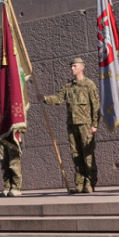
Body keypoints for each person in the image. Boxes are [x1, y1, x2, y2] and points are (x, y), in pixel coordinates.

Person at [44, 57, 101, 194]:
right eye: (71, 66)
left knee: (87, 154)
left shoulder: (89, 85)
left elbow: (96, 106)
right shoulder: (68, 86)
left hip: (85, 125)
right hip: (72, 125)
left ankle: (90, 182)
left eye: (75, 66)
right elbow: (58, 98)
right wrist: (45, 99)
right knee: (76, 154)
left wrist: (94, 124)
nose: (72, 69)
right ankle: (79, 183)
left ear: (82, 67)